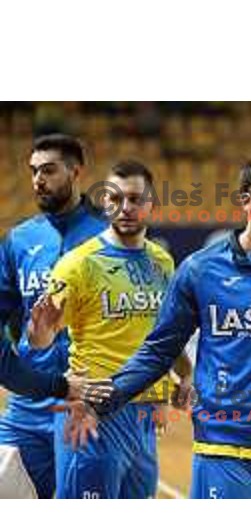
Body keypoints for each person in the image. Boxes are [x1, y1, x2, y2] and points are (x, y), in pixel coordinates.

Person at [81, 150, 251, 499]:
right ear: (246, 199)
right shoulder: (201, 270)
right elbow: (159, 351)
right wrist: (102, 398)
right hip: (222, 450)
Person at [28, 160, 192, 499]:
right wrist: (39, 329)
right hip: (93, 415)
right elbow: (41, 340)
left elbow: (164, 335)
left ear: (150, 204)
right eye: (116, 199)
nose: (125, 208)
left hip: (144, 419)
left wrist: (183, 376)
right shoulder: (77, 264)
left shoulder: (163, 262)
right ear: (105, 202)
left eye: (135, 199)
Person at [0, 134, 106, 498]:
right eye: (32, 172)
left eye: (48, 170)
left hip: (86, 404)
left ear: (76, 172)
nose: (37, 181)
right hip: (28, 404)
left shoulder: (110, 238)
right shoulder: (19, 239)